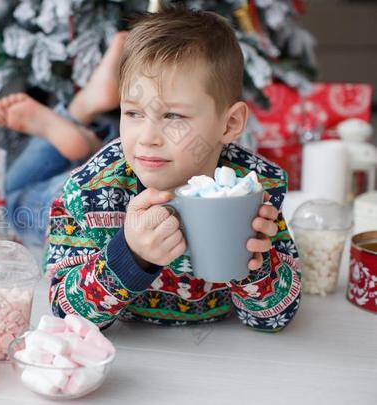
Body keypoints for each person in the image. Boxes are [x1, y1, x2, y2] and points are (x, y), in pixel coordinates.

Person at [43, 7, 301, 332]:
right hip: (136, 359)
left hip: (218, 362)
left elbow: (274, 318)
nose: (148, 138)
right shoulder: (91, 193)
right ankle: (60, 123)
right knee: (20, 198)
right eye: (134, 113)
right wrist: (130, 255)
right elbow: (65, 315)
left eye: (174, 117)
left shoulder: (255, 190)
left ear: (230, 123)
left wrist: (255, 266)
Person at [0, 33, 128, 245]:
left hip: (88, 205)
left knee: (9, 203)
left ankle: (82, 114)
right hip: (107, 189)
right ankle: (85, 128)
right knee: (8, 197)